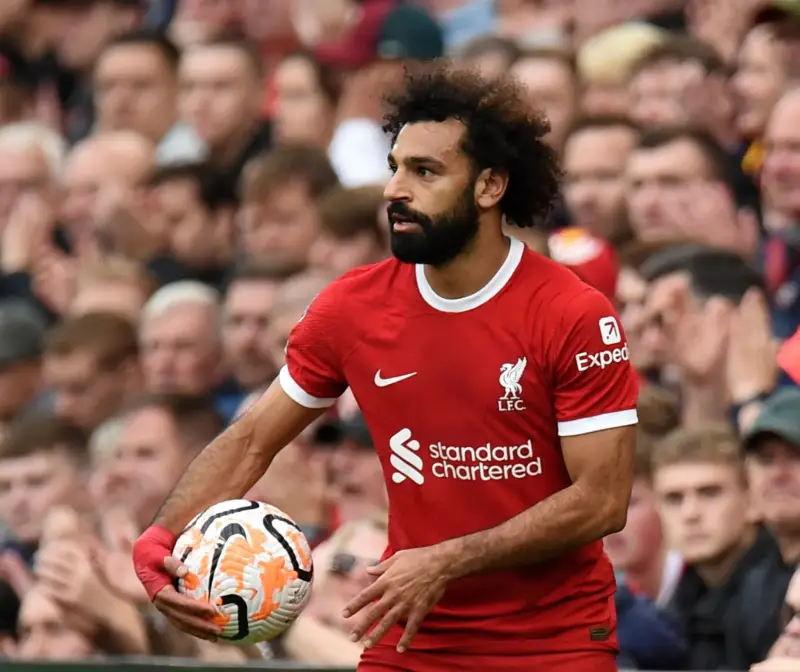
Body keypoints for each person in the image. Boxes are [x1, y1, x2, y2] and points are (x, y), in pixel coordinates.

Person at [132, 63, 639, 672]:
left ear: (489, 186)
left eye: (425, 171)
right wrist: (160, 537)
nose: (394, 189)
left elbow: (602, 500)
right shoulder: (352, 308)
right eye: (394, 166)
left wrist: (447, 559)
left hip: (551, 645)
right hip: (412, 636)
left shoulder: (572, 313)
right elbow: (251, 440)